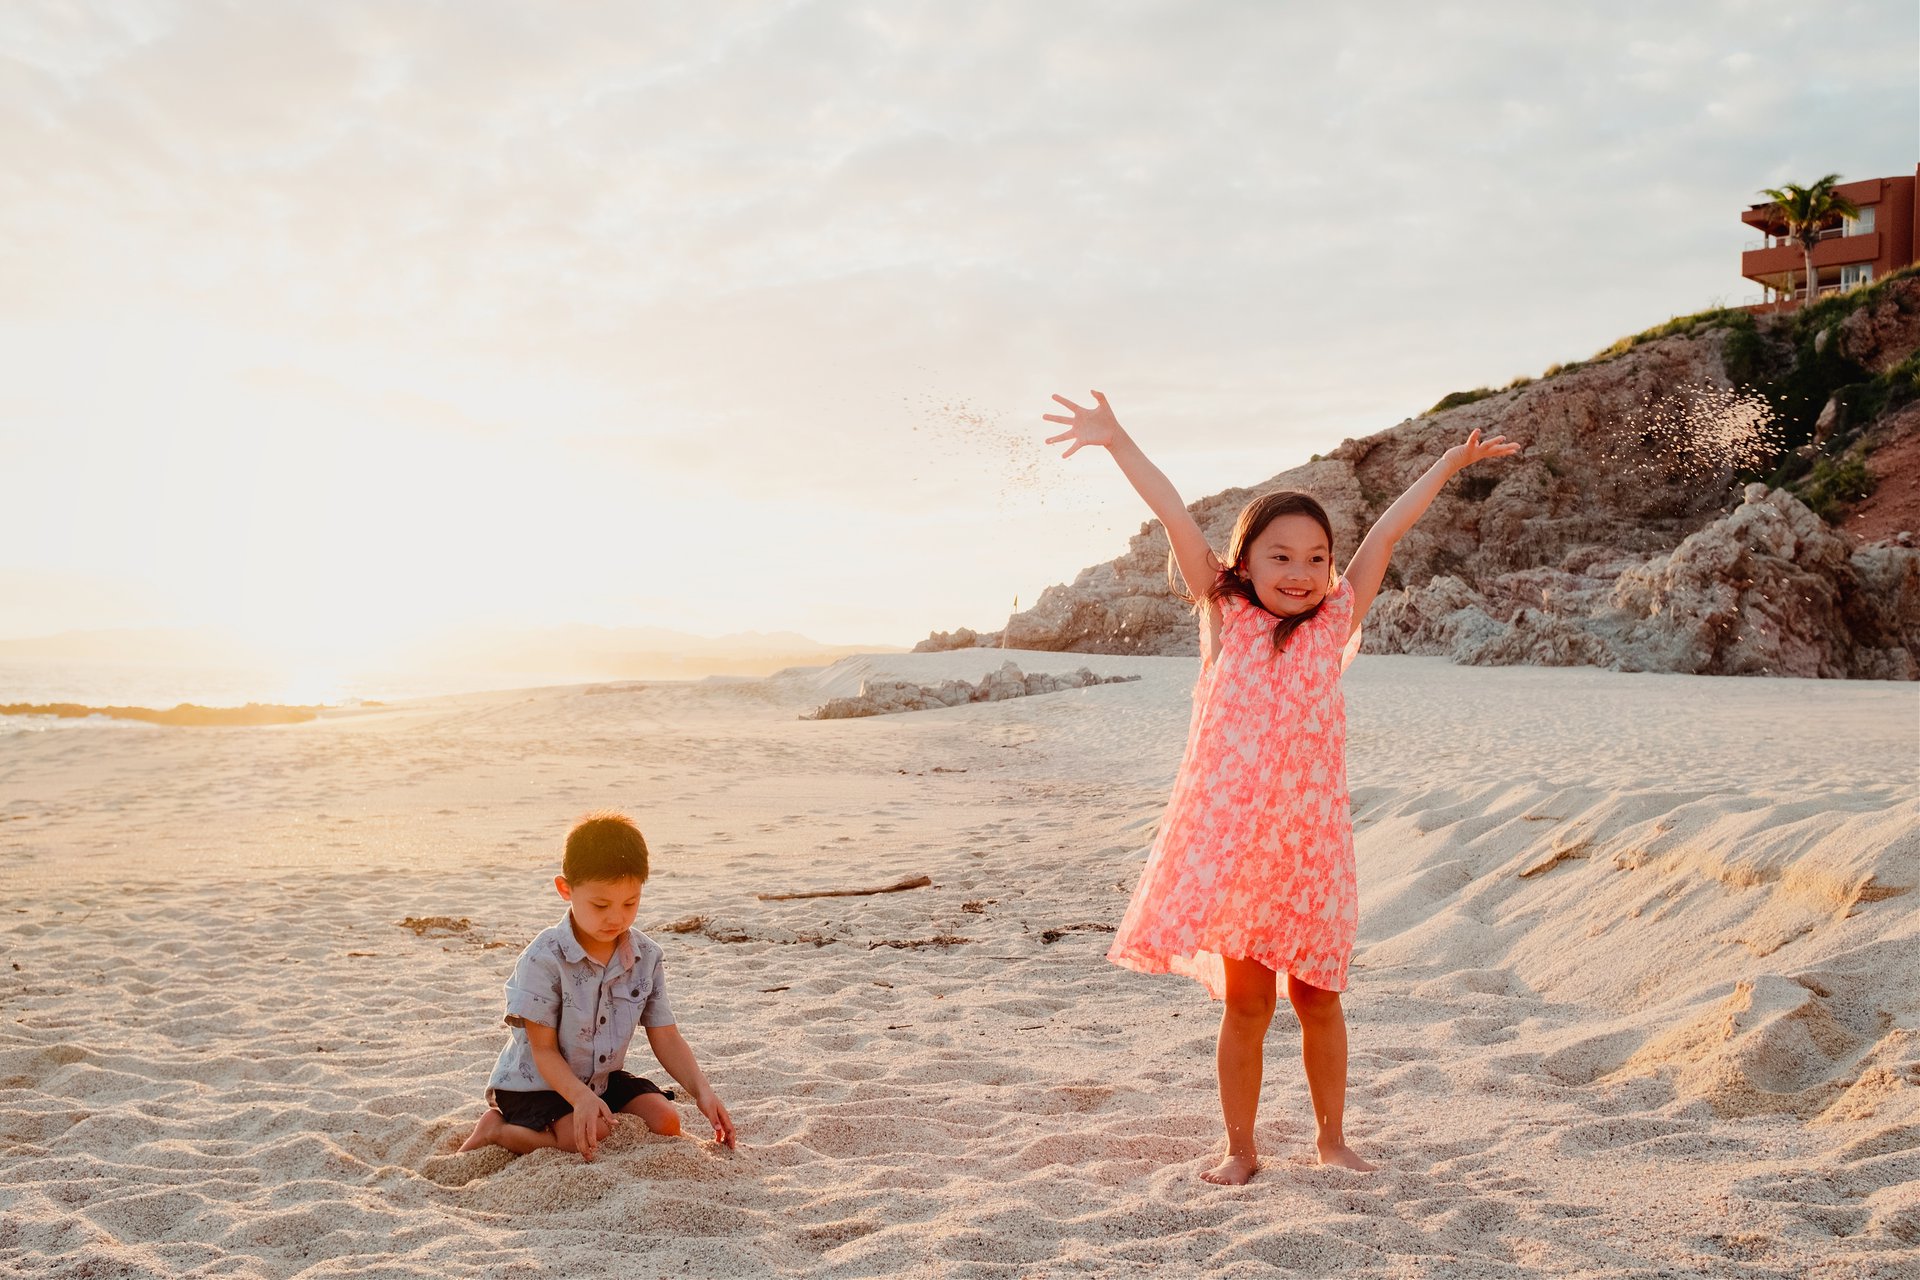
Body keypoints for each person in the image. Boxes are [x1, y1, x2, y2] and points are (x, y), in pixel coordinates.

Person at [1043, 389, 1517, 1184]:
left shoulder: (1335, 618)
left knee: (1321, 1002)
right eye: (1280, 557)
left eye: (1315, 559)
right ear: (1245, 562)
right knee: (1248, 1008)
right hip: (1238, 853)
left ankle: (1332, 1139)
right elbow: (1172, 513)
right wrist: (1118, 438)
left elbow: (1389, 529)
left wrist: (1447, 462)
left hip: (1315, 852)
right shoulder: (1228, 610)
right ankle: (1241, 1148)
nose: (1300, 574)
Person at [458, 812, 737, 1160]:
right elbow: (542, 1051)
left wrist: (702, 1091)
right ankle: (497, 1130)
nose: (617, 918)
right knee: (589, 1135)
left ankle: (587, 1109)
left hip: (601, 1080)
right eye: (601, 905)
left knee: (666, 1120)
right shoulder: (544, 958)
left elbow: (665, 1035)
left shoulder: (646, 956)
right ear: (565, 890)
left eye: (630, 903)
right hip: (534, 1085)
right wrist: (580, 1098)